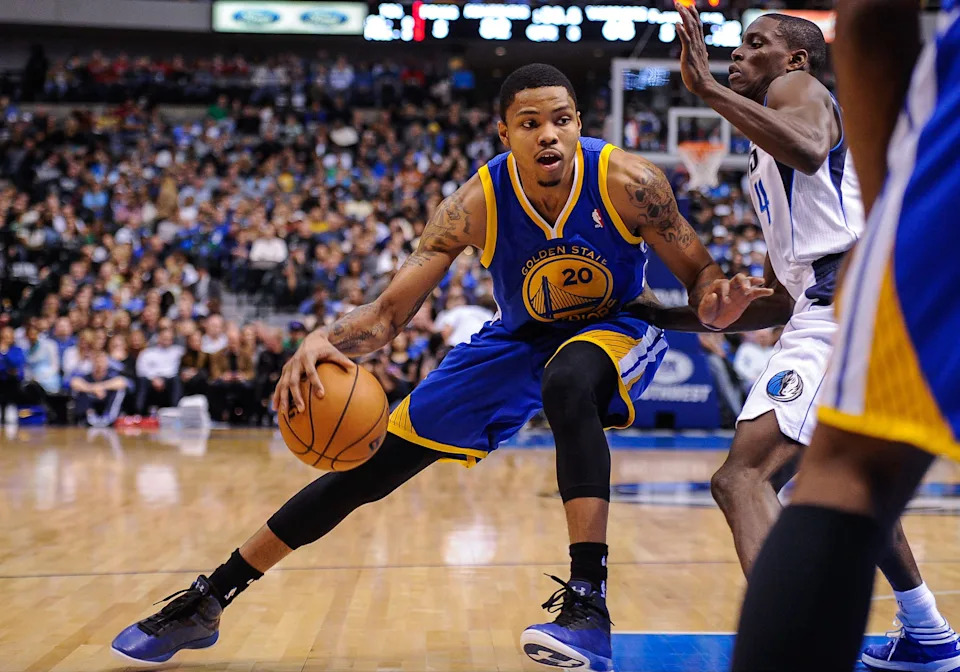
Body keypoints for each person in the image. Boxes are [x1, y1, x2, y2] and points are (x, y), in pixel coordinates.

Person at [111, 63, 770, 668]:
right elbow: (386, 316)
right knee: (370, 468)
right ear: (504, 130)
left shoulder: (630, 182)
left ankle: (588, 602)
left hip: (619, 325)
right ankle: (209, 598)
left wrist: (717, 300)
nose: (549, 136)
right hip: (515, 338)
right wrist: (323, 335)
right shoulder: (474, 203)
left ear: (578, 123)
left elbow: (701, 274)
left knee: (569, 381)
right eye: (531, 122)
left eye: (562, 119)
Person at [638, 7, 960, 671]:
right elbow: (777, 301)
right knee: (844, 477)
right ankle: (927, 632)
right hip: (832, 305)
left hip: (842, 308)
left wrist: (709, 92)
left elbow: (812, 144)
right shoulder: (764, 152)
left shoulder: (795, 95)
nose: (740, 55)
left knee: (743, 477)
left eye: (758, 45)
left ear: (795, 61)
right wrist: (661, 313)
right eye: (739, 45)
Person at [70, 351, 130, 428]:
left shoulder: (111, 376)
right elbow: (74, 382)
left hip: (106, 407)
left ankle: (109, 418)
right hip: (90, 409)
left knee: (119, 391)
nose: (99, 364)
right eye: (97, 360)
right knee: (80, 390)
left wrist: (101, 386)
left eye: (102, 361)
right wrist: (92, 389)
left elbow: (122, 382)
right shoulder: (87, 376)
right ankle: (89, 418)